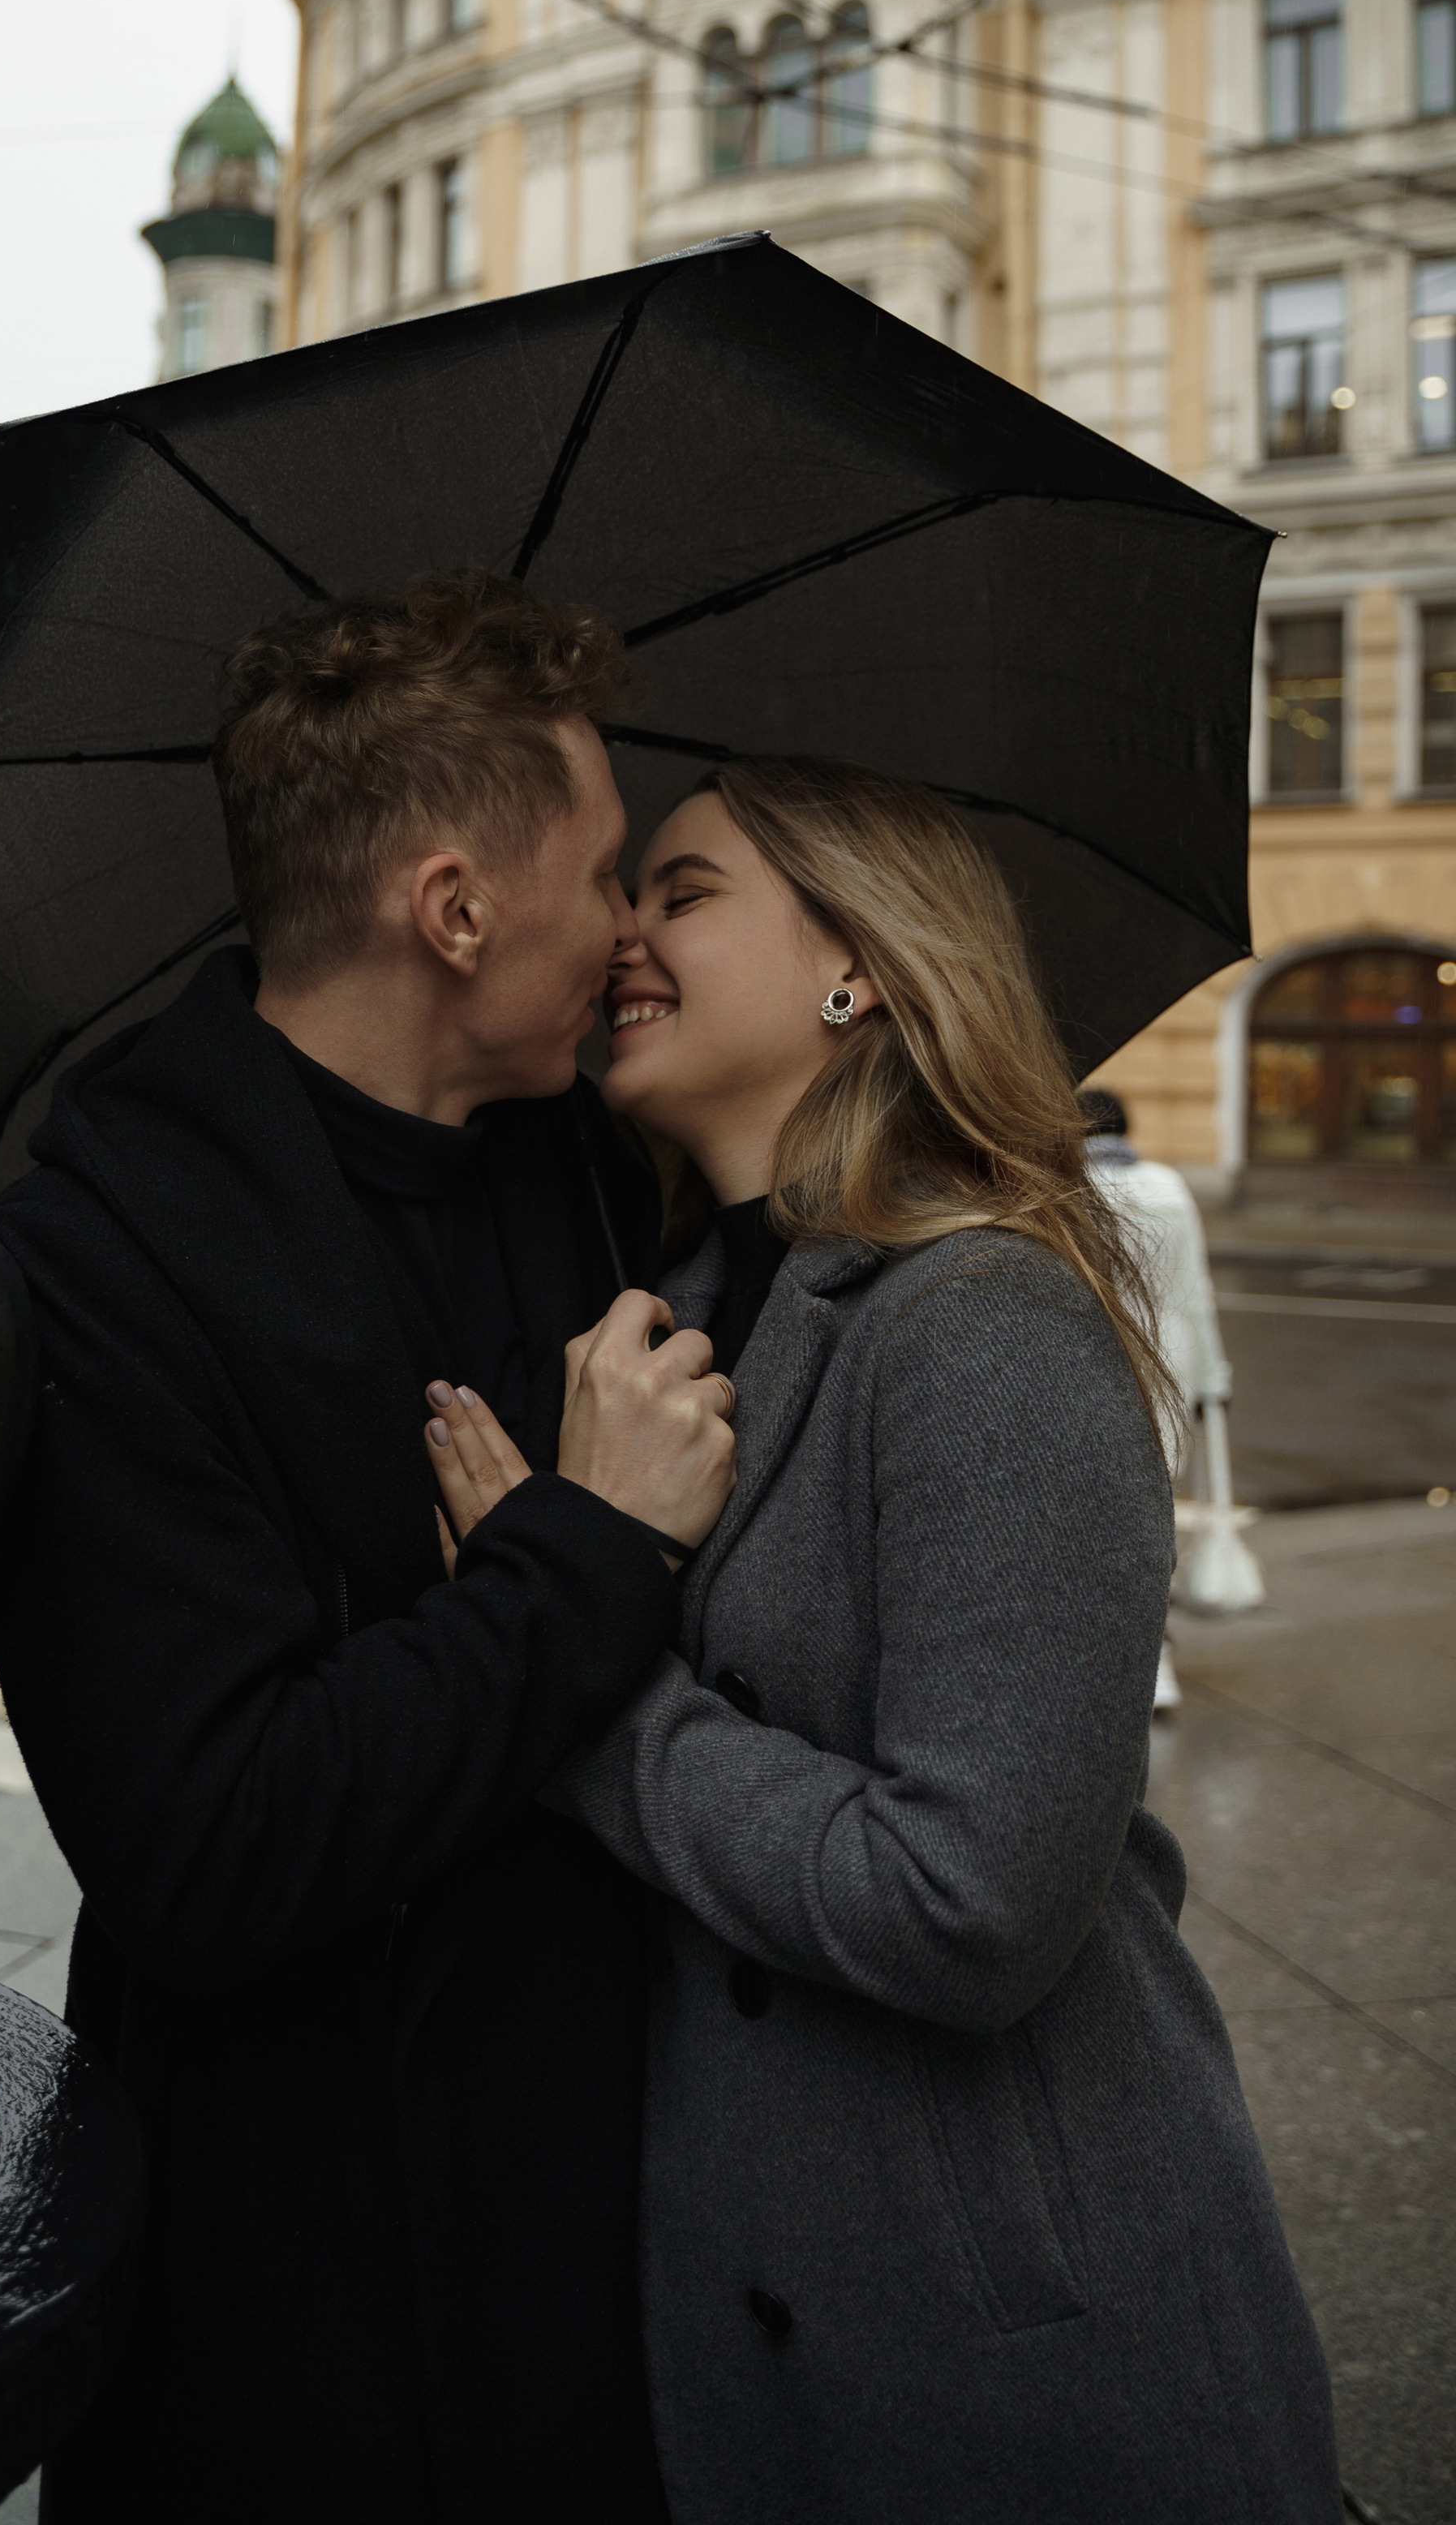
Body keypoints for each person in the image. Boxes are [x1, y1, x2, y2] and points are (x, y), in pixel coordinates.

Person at [424, 754, 1341, 2524]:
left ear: (856, 961)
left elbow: (973, 1900)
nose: (623, 935)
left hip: (1022, 2355)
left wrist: (574, 1690)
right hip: (756, 2340)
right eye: (628, 894)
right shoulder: (663, 1338)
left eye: (683, 892)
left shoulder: (982, 1315)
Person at [0, 571, 736, 2525]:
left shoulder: (587, 1162)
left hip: (600, 2219)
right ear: (453, 908)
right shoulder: (89, 1268)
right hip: (308, 2292)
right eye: (602, 870)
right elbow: (212, 1838)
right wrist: (578, 1555)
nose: (629, 928)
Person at [1082, 1084, 1259, 1652]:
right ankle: (1155, 1639)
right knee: (1153, 1501)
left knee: (1096, 1509)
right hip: (1170, 1361)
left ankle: (1125, 1641)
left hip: (1091, 1358)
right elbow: (1195, 1294)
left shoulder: (1066, 1193)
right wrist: (1214, 1379)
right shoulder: (1169, 1187)